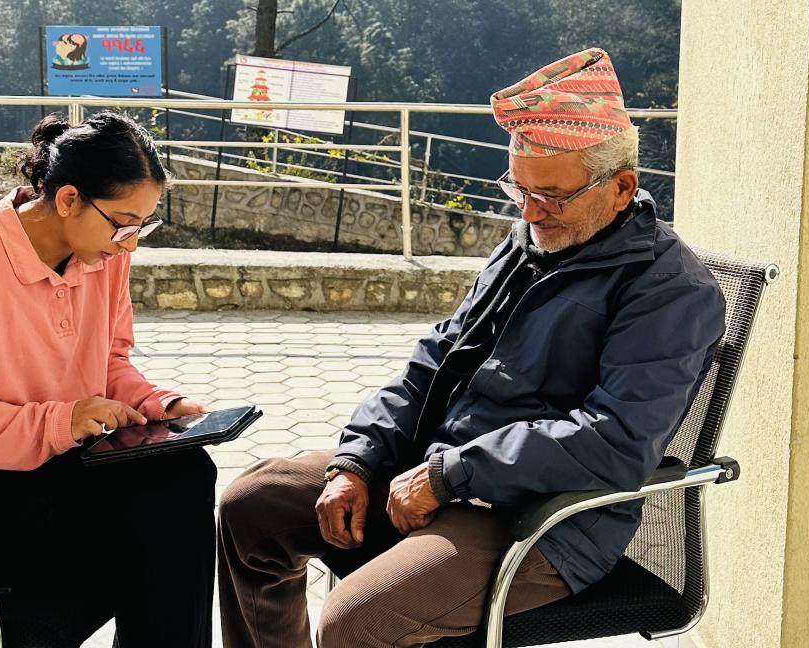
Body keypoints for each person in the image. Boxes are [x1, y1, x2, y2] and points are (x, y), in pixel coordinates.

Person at [217, 48, 726, 647]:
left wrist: (449, 474)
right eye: (519, 189)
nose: (532, 212)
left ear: (622, 188)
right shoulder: (529, 243)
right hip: (443, 471)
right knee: (253, 506)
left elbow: (614, 441)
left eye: (553, 196)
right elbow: (436, 360)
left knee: (358, 622)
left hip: (537, 521)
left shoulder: (671, 291)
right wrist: (358, 459)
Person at [0, 111, 215, 648]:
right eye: (122, 223)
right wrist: (60, 421)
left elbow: (108, 363)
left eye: (142, 226)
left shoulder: (103, 256)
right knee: (157, 521)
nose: (130, 244)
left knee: (185, 470)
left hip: (49, 468)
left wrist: (157, 403)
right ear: (67, 199)